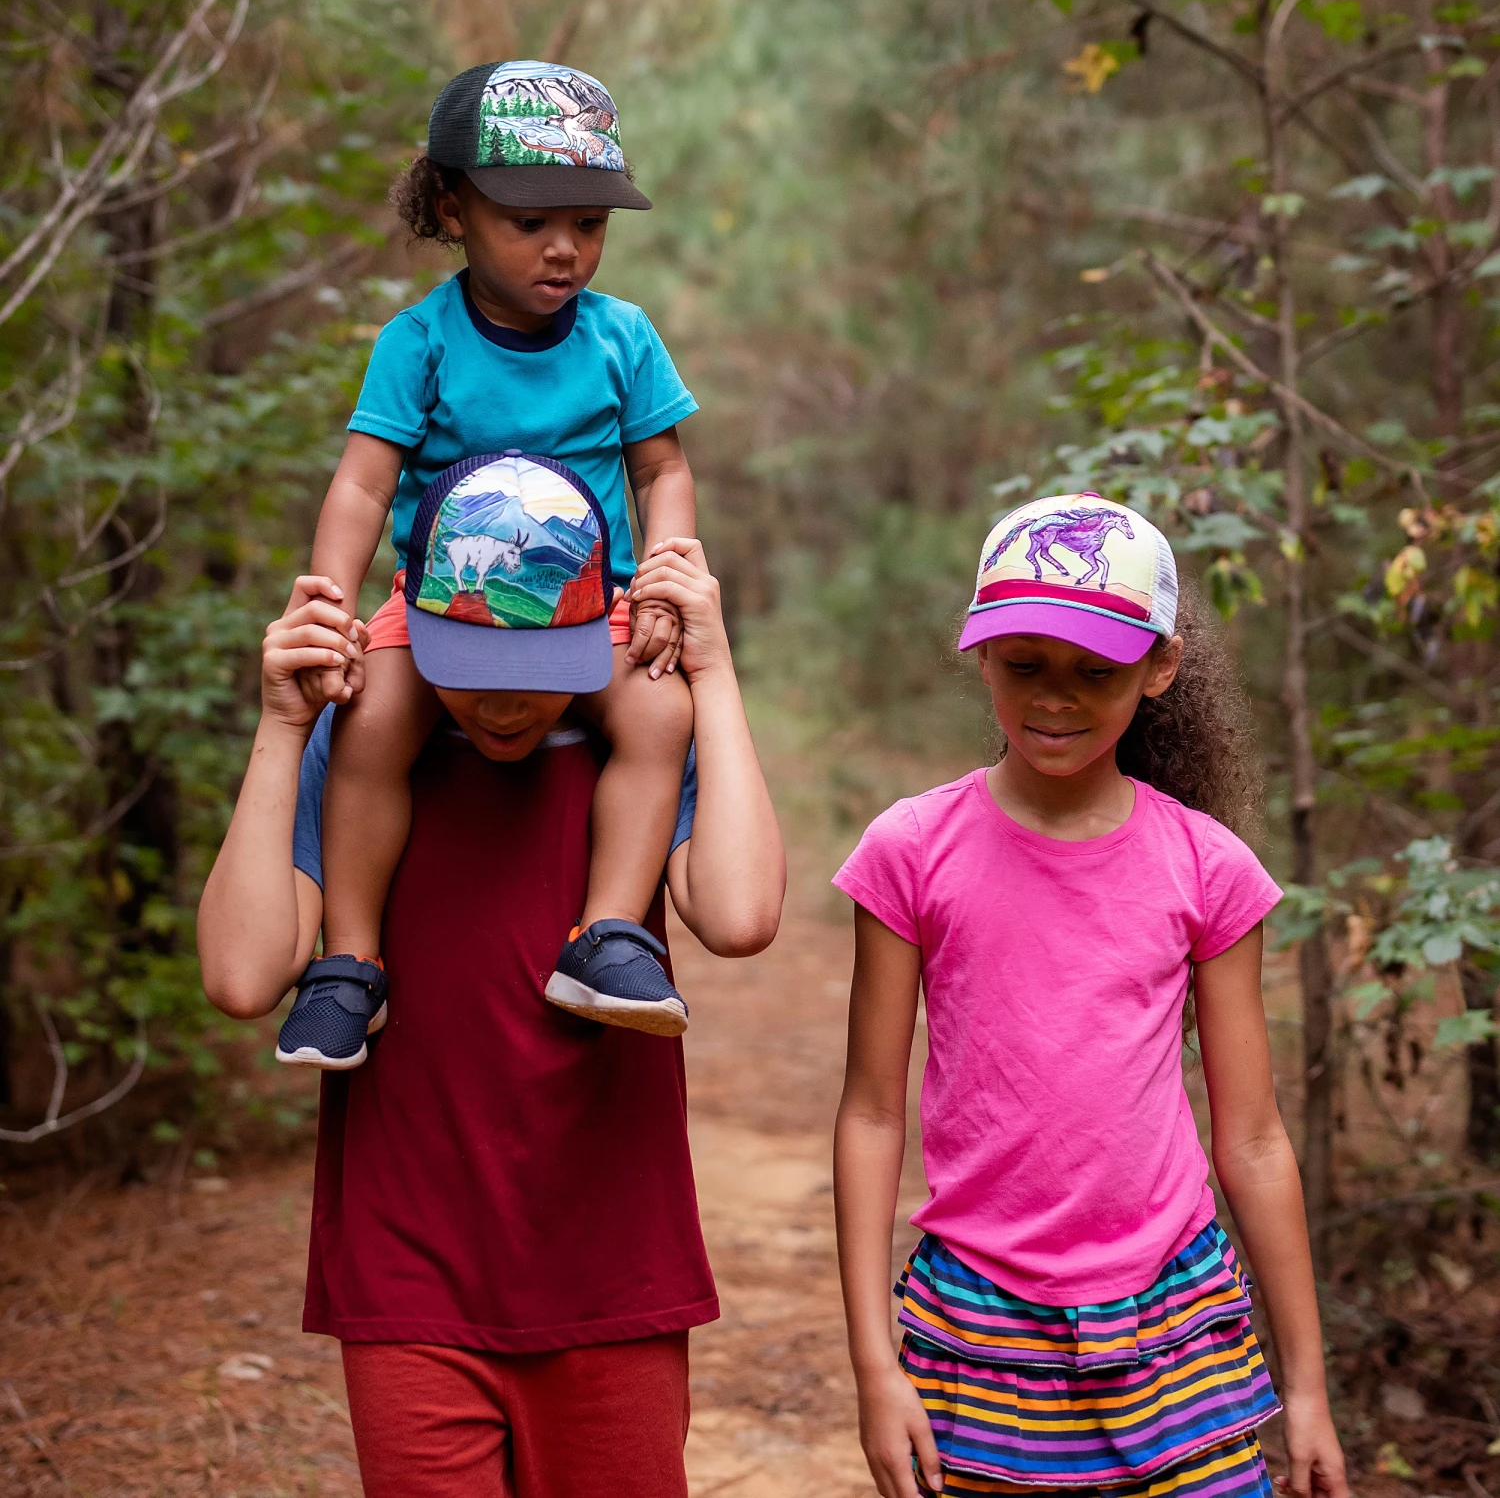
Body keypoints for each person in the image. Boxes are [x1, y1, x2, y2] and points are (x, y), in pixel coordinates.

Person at [196, 534, 784, 1498]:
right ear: (413, 635)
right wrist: (284, 730)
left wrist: (711, 677)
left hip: (612, 1261)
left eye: (536, 669)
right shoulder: (363, 753)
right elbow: (240, 972)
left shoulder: (632, 744)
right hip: (407, 1267)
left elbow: (741, 912)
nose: (505, 702)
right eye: (472, 670)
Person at [832, 494, 1348, 1498]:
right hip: (980, 1328)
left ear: (1158, 669)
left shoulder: (1208, 867)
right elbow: (867, 1111)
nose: (1055, 698)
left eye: (1094, 671)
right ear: (980, 656)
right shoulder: (910, 853)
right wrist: (871, 1366)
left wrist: (1310, 1389)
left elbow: (1251, 1139)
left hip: (1175, 1324)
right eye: (1026, 665)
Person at [293, 59, 703, 1068]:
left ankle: (609, 933)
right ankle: (349, 960)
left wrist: (663, 577)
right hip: (443, 604)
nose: (565, 248)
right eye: (530, 222)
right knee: (374, 720)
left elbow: (662, 471)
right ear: (452, 207)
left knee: (657, 713)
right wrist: (329, 602)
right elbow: (361, 483)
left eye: (589, 223)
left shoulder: (623, 338)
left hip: (586, 610)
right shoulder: (420, 342)